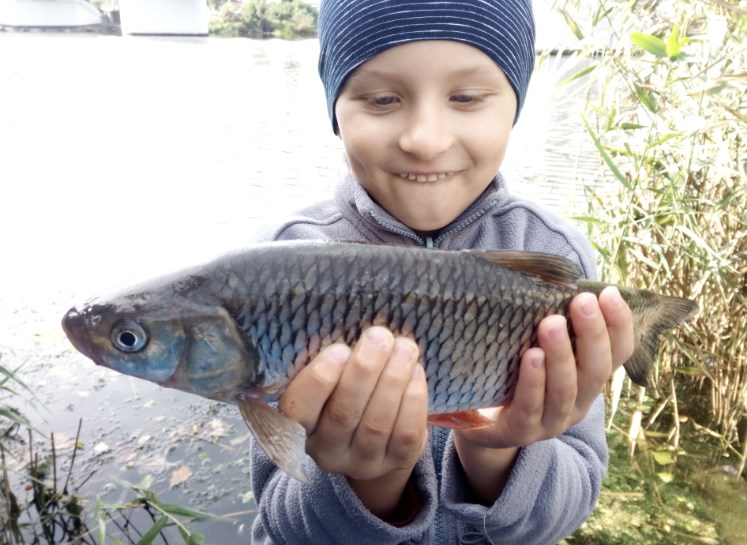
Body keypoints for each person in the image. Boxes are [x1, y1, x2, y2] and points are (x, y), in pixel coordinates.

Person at [249, 1, 635, 543]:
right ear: (335, 109)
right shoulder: (281, 263)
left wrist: (496, 447)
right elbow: (280, 522)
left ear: (516, 105)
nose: (425, 140)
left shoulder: (553, 254)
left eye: (466, 97)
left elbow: (572, 499)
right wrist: (371, 481)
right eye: (382, 99)